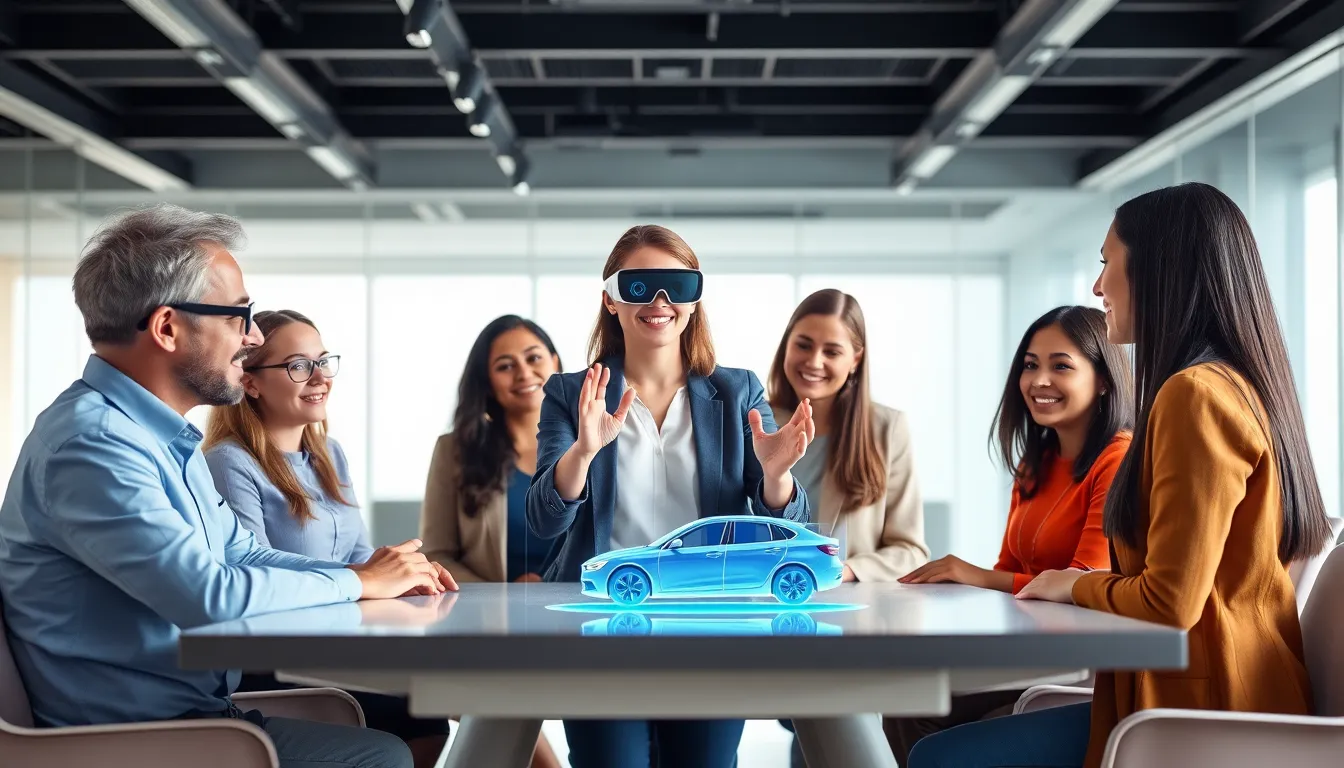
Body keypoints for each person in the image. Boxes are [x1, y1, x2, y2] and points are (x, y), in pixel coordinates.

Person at [0, 205, 456, 768]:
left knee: (388, 745)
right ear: (167, 328)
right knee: (379, 757)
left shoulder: (161, 434)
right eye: (238, 317)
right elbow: (209, 596)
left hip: (195, 715)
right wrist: (357, 581)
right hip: (132, 738)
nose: (254, 335)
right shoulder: (92, 445)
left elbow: (239, 550)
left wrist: (373, 578)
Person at [906, 182, 1333, 768]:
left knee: (940, 758)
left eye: (1108, 263)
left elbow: (1169, 603)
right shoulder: (1230, 385)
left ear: (1159, 270)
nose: (1097, 285)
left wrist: (1069, 582)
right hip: (1200, 697)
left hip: (1202, 712)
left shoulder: (1195, 396)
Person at [525, 224, 814, 768]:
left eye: (676, 286)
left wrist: (775, 476)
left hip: (712, 622)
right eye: (640, 286)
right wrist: (583, 454)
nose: (660, 302)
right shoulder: (571, 394)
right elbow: (544, 520)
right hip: (601, 623)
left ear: (695, 297)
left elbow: (790, 518)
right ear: (610, 298)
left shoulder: (738, 391)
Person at [203, 309, 452, 768]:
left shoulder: (328, 454)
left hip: (337, 644)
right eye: (298, 365)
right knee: (417, 711)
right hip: (275, 660)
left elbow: (359, 555)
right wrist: (367, 577)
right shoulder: (228, 461)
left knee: (430, 711)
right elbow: (252, 568)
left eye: (323, 360)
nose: (319, 377)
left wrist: (400, 574)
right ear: (251, 382)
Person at [887, 304, 1133, 762]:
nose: (1039, 380)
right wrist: (977, 581)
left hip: (1080, 669)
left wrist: (974, 574)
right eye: (1030, 365)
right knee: (904, 705)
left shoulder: (1117, 459)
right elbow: (1011, 571)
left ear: (1103, 379)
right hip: (1032, 652)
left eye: (1061, 365)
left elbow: (1081, 582)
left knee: (933, 738)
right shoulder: (1034, 464)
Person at [767, 289, 931, 766]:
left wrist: (846, 571)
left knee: (828, 734)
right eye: (803, 344)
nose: (814, 360)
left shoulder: (886, 429)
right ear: (785, 347)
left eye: (832, 350)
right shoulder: (753, 421)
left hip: (845, 629)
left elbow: (910, 549)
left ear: (856, 358)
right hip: (761, 617)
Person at [419, 314, 564, 768]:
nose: (523, 372)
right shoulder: (455, 451)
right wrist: (504, 597)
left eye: (534, 357)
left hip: (585, 621)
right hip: (492, 630)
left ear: (556, 363)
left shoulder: (596, 445)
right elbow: (437, 555)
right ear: (487, 381)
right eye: (505, 365)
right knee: (497, 712)